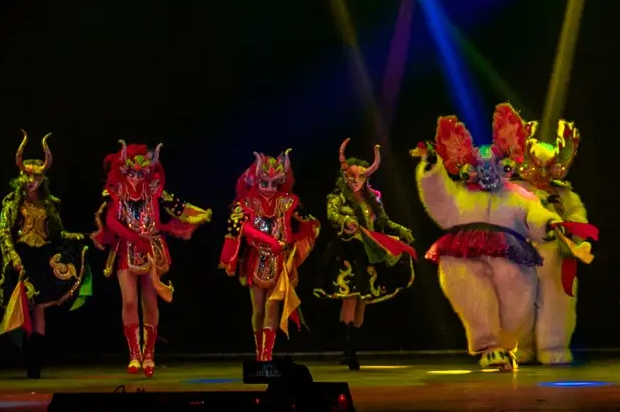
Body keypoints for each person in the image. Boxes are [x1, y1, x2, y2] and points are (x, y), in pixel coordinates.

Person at [412, 103, 555, 372]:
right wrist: (431, 167)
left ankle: (505, 344)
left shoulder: (516, 194)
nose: (487, 172)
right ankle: (489, 346)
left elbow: (534, 214)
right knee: (470, 290)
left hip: (511, 251)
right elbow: (437, 196)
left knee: (518, 298)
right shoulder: (460, 194)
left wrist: (548, 224)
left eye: (493, 165)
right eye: (482, 166)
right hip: (463, 251)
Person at [92, 142, 210, 376]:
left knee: (150, 301)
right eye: (132, 173)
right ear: (124, 171)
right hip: (127, 249)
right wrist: (134, 239)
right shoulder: (116, 190)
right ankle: (134, 355)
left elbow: (178, 207)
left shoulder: (155, 190)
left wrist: (199, 215)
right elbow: (111, 221)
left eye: (141, 174)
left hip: (152, 248)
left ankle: (149, 355)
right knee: (129, 301)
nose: (136, 178)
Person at [310, 139, 418, 371]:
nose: (355, 181)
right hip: (347, 253)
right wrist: (346, 220)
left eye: (360, 177)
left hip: (368, 254)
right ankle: (348, 350)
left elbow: (384, 221)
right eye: (351, 177)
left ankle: (353, 346)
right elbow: (332, 216)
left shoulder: (372, 199)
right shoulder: (337, 198)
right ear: (345, 177)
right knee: (350, 297)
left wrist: (400, 230)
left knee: (362, 301)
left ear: (366, 178)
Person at [0, 132, 91, 379]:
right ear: (20, 177)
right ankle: (28, 357)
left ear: (43, 178)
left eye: (36, 176)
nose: (31, 181)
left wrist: (83, 237)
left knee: (39, 309)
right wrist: (13, 259)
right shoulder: (12, 203)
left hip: (43, 257)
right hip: (22, 257)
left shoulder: (50, 204)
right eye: (27, 176)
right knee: (25, 306)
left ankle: (36, 360)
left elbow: (58, 234)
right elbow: (4, 233)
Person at [218, 150, 321, 364]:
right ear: (257, 180)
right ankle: (259, 352)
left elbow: (309, 221)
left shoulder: (287, 201)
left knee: (272, 307)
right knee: (258, 309)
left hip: (279, 261)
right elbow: (237, 226)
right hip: (255, 259)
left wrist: (292, 243)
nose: (269, 188)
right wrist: (267, 241)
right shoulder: (247, 202)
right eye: (265, 183)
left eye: (274, 184)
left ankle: (267, 355)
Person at [516, 119, 597, 366]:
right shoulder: (517, 191)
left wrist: (573, 233)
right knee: (518, 303)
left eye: (547, 167)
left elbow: (577, 215)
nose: (542, 174)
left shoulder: (563, 193)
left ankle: (553, 346)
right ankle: (519, 347)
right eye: (538, 167)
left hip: (558, 257)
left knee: (557, 303)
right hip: (522, 255)